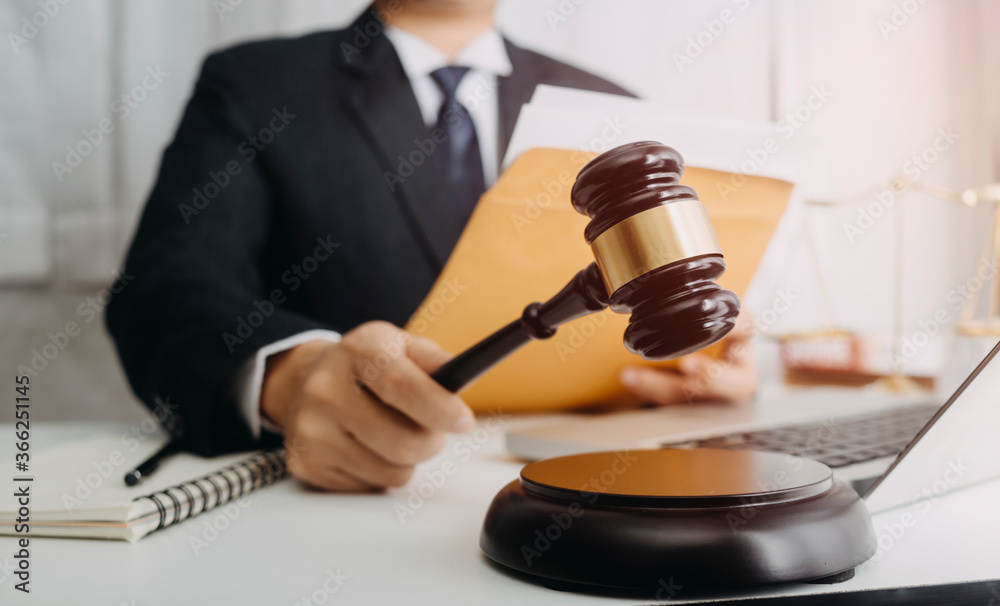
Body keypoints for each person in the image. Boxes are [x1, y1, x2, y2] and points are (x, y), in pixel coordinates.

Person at [107, 0, 756, 492]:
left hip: (595, 475)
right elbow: (161, 292)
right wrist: (290, 374)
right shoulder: (256, 85)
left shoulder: (610, 106)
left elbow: (665, 288)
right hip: (360, 496)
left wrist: (706, 367)